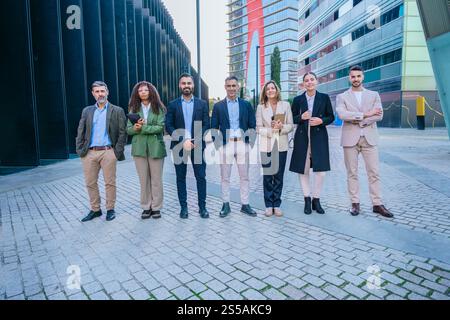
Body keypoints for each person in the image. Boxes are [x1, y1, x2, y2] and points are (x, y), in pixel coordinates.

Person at [336, 66, 393, 218]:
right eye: (353, 77)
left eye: (358, 76)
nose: (356, 79)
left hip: (370, 138)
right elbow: (342, 114)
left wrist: (357, 120)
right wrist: (366, 114)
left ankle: (377, 204)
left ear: (363, 77)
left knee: (374, 172)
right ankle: (355, 203)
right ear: (349, 78)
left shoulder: (374, 95)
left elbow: (379, 115)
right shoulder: (342, 97)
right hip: (350, 140)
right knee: (351, 173)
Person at [76, 81, 127, 222]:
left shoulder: (117, 110)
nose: (100, 94)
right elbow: (81, 131)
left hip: (108, 152)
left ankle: (110, 209)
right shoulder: (87, 111)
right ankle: (95, 209)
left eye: (102, 91)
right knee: (90, 182)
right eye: (97, 92)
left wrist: (116, 152)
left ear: (107, 92)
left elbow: (123, 133)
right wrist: (80, 150)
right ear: (93, 94)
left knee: (109, 182)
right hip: (89, 153)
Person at [211, 76, 257, 218]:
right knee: (225, 177)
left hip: (243, 144)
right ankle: (226, 204)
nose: (231, 88)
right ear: (225, 87)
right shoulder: (218, 106)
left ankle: (245, 204)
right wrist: (219, 146)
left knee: (245, 176)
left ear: (238, 87)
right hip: (226, 144)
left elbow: (252, 125)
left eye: (234, 86)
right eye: (229, 86)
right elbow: (213, 128)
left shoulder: (246, 105)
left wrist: (249, 144)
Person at [289, 73, 335, 215]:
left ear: (316, 81)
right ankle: (307, 200)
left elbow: (331, 117)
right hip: (302, 138)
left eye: (311, 80)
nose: (309, 82)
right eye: (306, 81)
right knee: (303, 170)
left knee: (321, 172)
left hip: (319, 137)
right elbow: (291, 118)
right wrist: (301, 117)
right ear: (303, 84)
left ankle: (316, 199)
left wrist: (322, 121)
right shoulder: (298, 99)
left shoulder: (324, 98)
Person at [166, 73, 210, 219]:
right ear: (180, 85)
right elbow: (169, 125)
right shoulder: (172, 104)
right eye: (183, 83)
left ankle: (202, 208)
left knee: (201, 177)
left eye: (189, 83)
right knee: (180, 177)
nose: (186, 86)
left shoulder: (202, 104)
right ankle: (183, 208)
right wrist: (182, 140)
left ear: (193, 85)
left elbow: (206, 124)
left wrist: (195, 140)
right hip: (179, 147)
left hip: (197, 145)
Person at [127, 81, 167, 220]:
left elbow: (160, 127)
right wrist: (135, 128)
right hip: (139, 149)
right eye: (140, 91)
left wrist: (143, 128)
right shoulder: (133, 108)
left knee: (156, 180)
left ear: (151, 91)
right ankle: (146, 207)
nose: (143, 92)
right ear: (137, 93)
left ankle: (156, 207)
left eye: (145, 90)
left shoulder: (159, 108)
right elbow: (128, 130)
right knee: (143, 180)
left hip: (156, 147)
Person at [256, 81, 294, 217]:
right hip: (266, 145)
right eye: (268, 89)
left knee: (278, 176)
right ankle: (268, 205)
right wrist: (271, 130)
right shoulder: (261, 107)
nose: (270, 90)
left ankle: (276, 204)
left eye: (273, 88)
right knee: (267, 176)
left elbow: (291, 125)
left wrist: (281, 128)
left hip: (281, 145)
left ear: (277, 90)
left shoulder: (285, 105)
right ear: (265, 92)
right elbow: (258, 128)